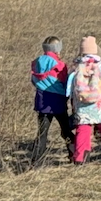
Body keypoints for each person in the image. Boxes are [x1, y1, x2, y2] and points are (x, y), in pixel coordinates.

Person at [67, 36, 101, 163]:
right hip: (99, 104)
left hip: (81, 104)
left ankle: (80, 157)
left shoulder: (76, 66)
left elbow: (70, 86)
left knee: (83, 129)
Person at [28, 37, 72, 166]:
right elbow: (65, 82)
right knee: (66, 129)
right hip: (58, 101)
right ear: (57, 49)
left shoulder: (36, 62)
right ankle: (74, 153)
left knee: (42, 132)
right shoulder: (60, 65)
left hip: (42, 100)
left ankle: (36, 161)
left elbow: (33, 80)